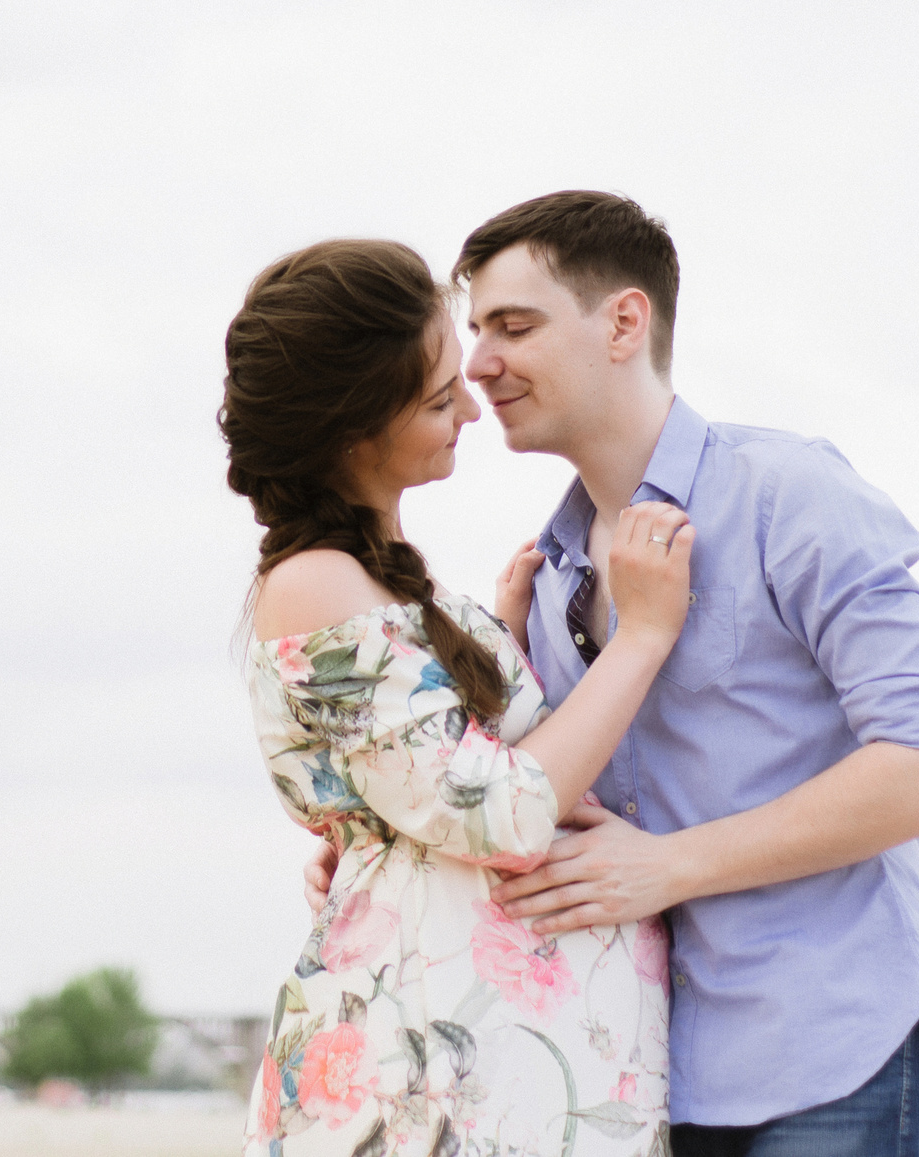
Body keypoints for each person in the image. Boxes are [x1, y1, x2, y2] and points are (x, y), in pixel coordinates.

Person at [307, 192, 919, 1157]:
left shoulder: (788, 493)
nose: (480, 363)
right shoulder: (548, 575)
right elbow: (525, 802)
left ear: (625, 322)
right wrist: (395, 849)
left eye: (514, 326)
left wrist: (669, 866)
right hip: (655, 1073)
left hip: (835, 1050)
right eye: (477, 332)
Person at [224, 239, 696, 1157]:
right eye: (441, 397)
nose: (473, 409)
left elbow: (434, 773)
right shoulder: (318, 582)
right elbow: (500, 809)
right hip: (432, 1088)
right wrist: (642, 635)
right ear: (357, 422)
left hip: (497, 1076)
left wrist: (497, 641)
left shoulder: (386, 582)